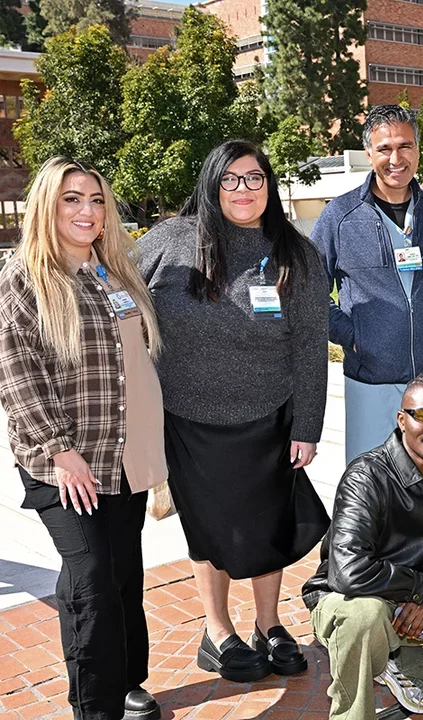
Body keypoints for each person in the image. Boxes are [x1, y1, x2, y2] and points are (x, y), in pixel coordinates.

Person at [138, 140, 330, 682]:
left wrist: (308, 424)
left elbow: (311, 345)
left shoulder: (295, 252)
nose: (243, 190)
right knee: (210, 529)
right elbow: (113, 289)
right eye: (230, 179)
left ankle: (269, 625)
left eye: (254, 178)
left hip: (269, 416)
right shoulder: (171, 240)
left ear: (269, 186)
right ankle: (217, 629)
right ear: (211, 183)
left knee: (266, 526)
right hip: (187, 419)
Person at [0, 158, 165, 720]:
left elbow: (137, 363)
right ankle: (96, 707)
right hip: (63, 460)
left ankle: (127, 679)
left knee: (123, 569)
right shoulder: (25, 277)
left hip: (126, 455)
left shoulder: (114, 272)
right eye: (72, 199)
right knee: (91, 574)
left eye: (95, 199)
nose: (86, 211)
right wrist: (59, 449)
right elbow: (17, 370)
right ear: (48, 205)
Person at [302, 373, 423, 720]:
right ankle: (353, 712)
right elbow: (349, 573)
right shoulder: (366, 476)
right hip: (350, 599)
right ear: (402, 420)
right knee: (365, 618)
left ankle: (401, 665)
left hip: (415, 600)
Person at [311, 105, 423, 464]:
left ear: (418, 150)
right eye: (385, 149)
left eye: (405, 146)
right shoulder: (340, 217)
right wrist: (352, 335)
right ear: (369, 154)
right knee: (369, 493)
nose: (396, 158)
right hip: (370, 384)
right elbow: (309, 291)